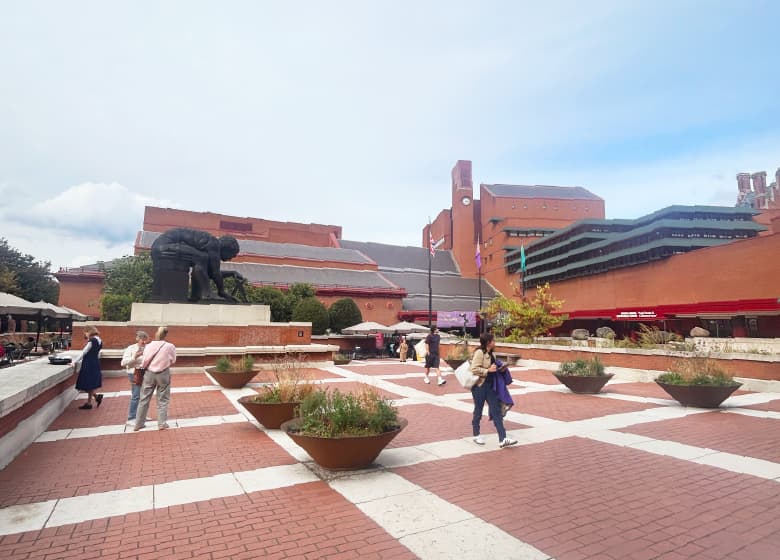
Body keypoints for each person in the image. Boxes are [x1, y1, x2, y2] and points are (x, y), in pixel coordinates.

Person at [469, 332, 518, 448]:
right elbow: (474, 369)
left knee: (496, 411)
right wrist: (487, 370)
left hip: (491, 386)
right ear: (488, 342)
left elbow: (493, 368)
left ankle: (503, 439)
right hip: (480, 386)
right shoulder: (479, 352)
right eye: (493, 340)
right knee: (478, 410)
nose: (495, 342)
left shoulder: (492, 354)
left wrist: (501, 369)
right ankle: (476, 434)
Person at [134, 326, 177, 431]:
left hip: (149, 373)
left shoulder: (149, 346)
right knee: (163, 399)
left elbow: (144, 361)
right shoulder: (170, 346)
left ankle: (138, 423)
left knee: (144, 399)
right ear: (166, 334)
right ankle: (161, 423)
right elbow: (173, 360)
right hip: (163, 373)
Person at [120, 330, 150, 425]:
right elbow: (123, 363)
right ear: (137, 339)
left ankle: (141, 415)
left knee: (144, 395)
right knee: (136, 395)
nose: (143, 342)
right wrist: (135, 357)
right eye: (141, 339)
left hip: (145, 373)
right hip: (134, 373)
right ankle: (131, 417)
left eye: (145, 339)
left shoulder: (148, 348)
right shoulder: (131, 348)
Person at [72, 326, 104, 410]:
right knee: (90, 383)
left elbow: (84, 352)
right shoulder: (99, 340)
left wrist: (74, 362)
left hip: (88, 363)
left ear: (89, 332)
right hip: (95, 362)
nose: (85, 334)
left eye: (85, 332)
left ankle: (94, 399)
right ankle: (91, 401)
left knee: (85, 383)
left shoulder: (92, 341)